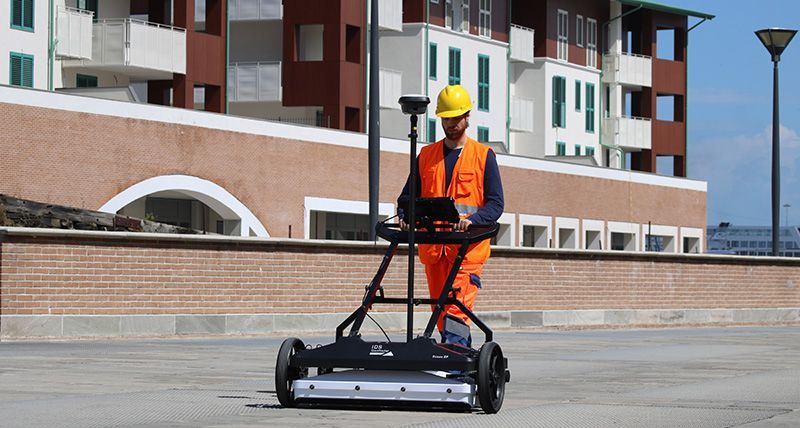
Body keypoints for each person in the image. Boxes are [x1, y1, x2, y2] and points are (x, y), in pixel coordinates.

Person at [397, 84, 504, 348]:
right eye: (446, 118)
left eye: (456, 118)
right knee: (441, 311)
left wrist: (474, 220)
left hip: (466, 251)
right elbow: (407, 197)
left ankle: (453, 365)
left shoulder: (483, 156)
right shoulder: (426, 156)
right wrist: (404, 215)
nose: (451, 124)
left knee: (456, 308)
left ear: (467, 117)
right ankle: (457, 358)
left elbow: (496, 204)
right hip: (434, 250)